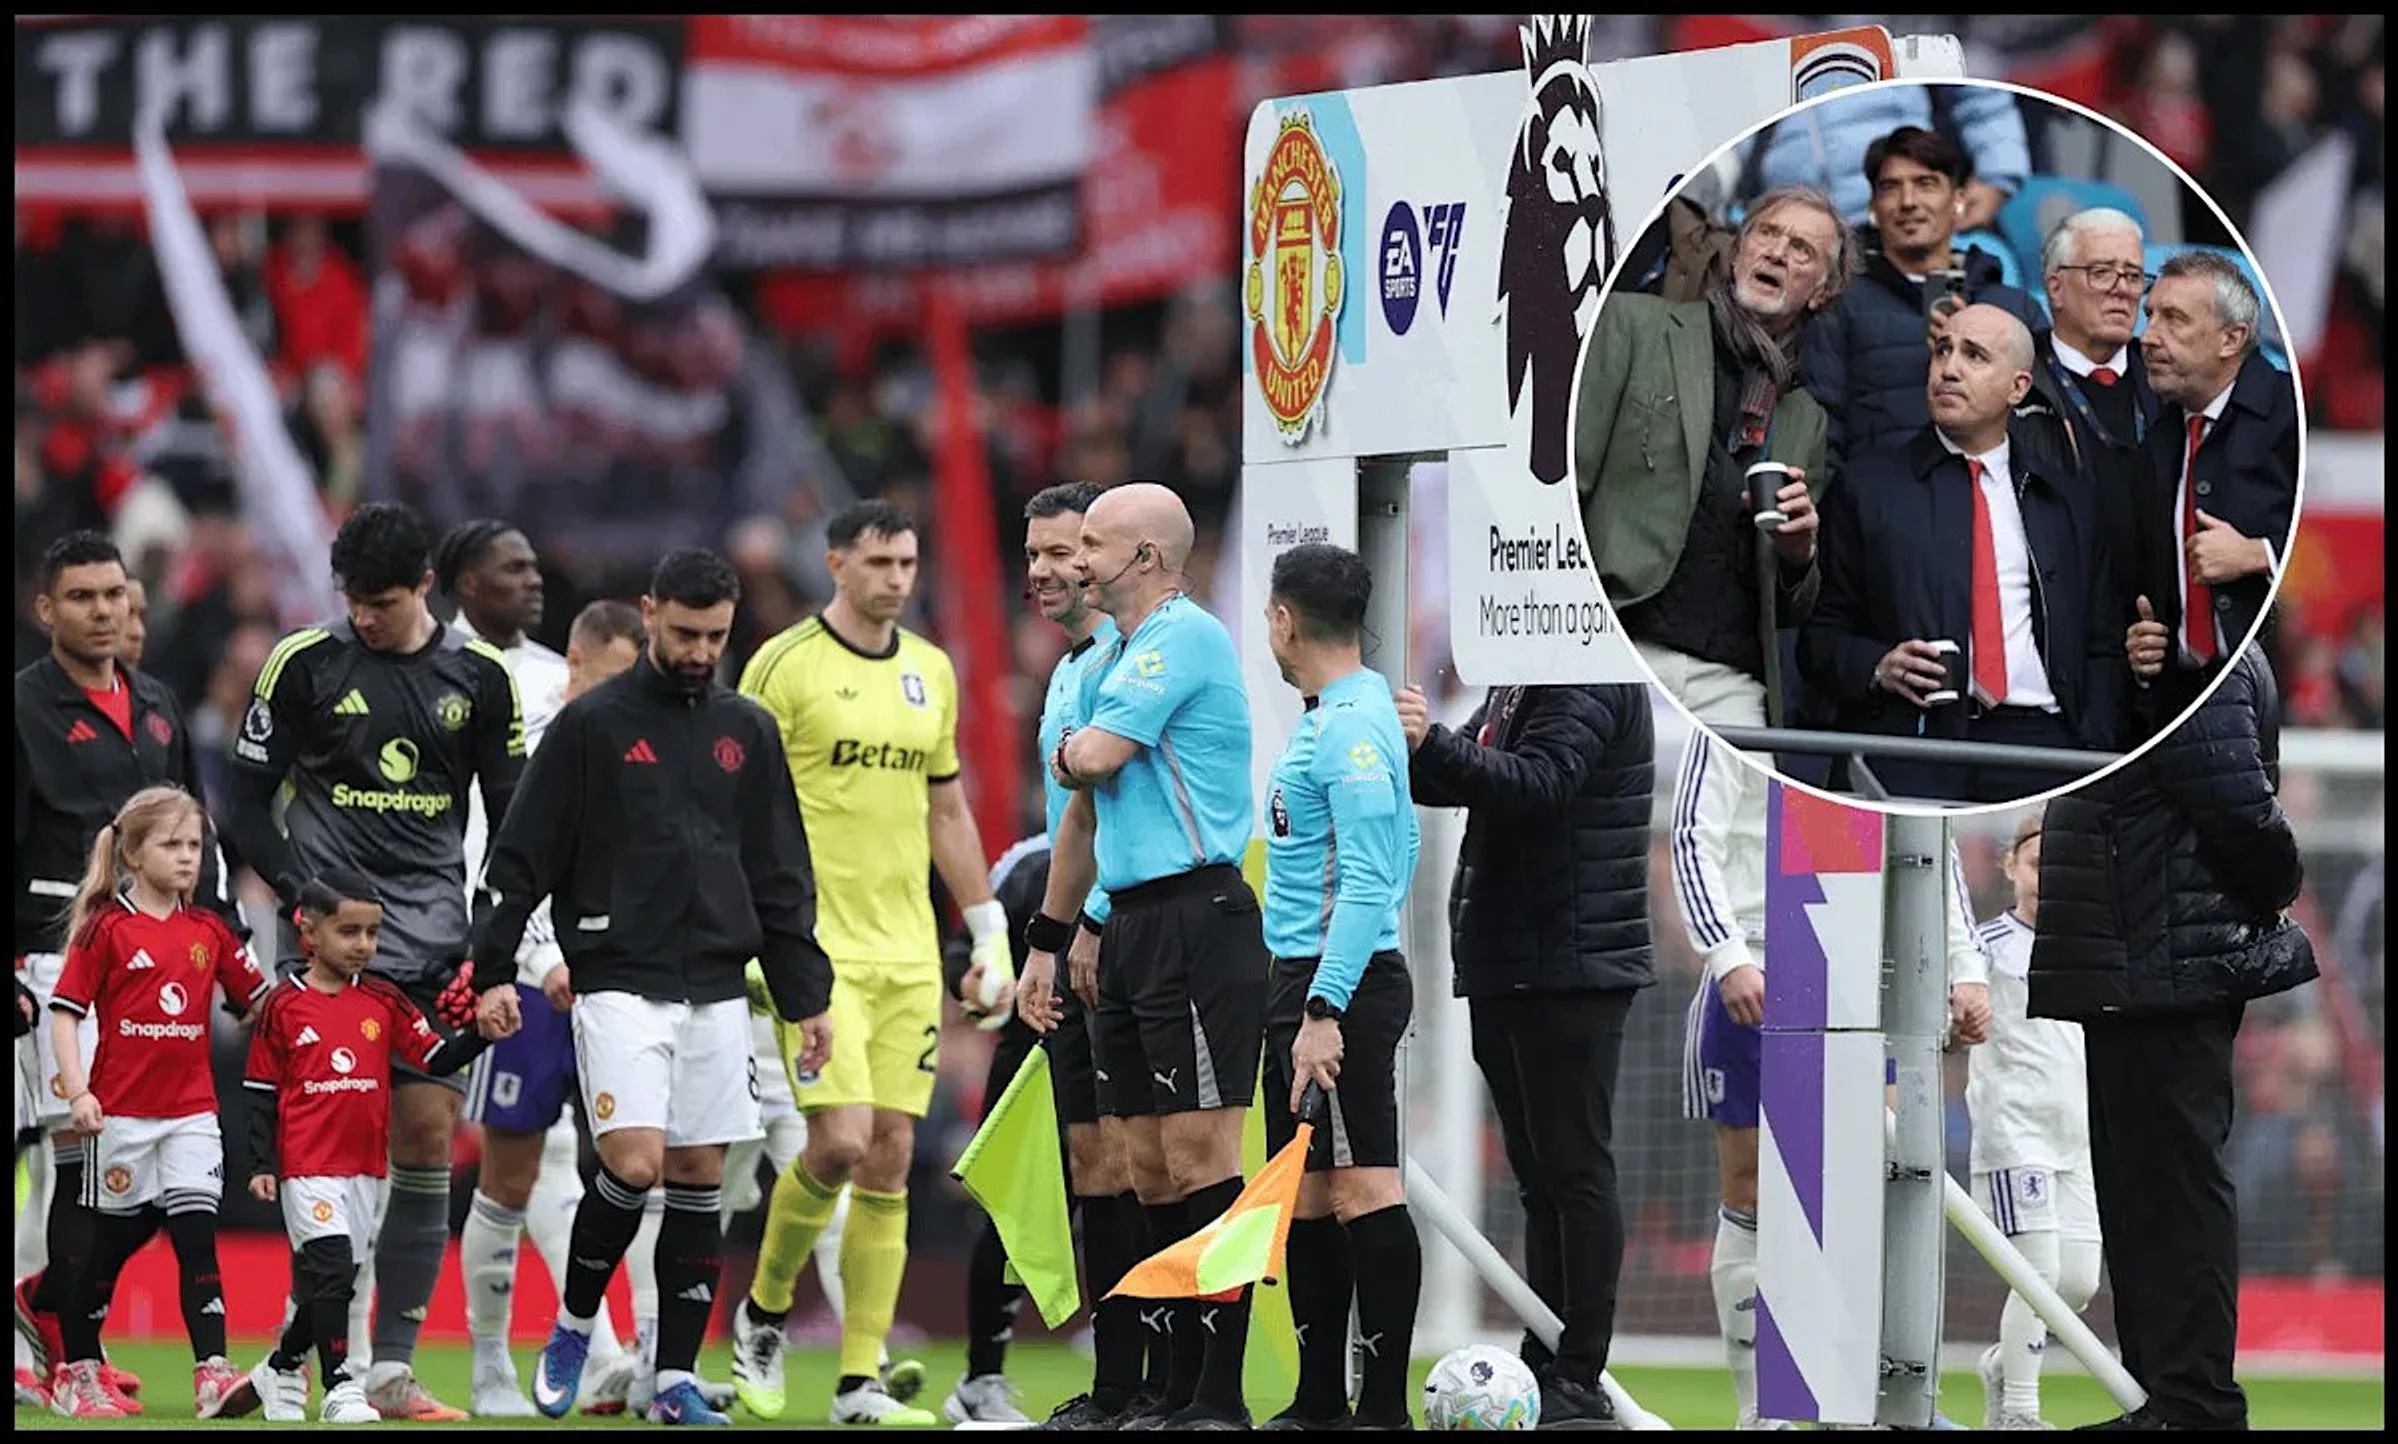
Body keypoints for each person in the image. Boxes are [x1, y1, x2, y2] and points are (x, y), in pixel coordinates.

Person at [472, 546, 834, 1428]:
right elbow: (520, 859)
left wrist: (807, 997)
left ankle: (672, 1378)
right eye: (684, 633)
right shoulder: (590, 726)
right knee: (633, 1163)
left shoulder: (747, 730)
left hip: (716, 981)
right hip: (618, 975)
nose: (700, 650)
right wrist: (492, 972)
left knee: (699, 1173)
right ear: (650, 615)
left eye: (715, 635)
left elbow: (780, 872)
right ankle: (574, 1323)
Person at [223, 500, 526, 1421]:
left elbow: (513, 823)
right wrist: (302, 897)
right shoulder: (303, 663)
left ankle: (388, 1367)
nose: (363, 616)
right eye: (352, 599)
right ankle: (314, 1355)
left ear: (426, 587)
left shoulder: (480, 677)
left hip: (431, 942)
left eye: (382, 603)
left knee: (425, 1137)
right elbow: (242, 802)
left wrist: (490, 938)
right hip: (326, 951)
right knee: (326, 1148)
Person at [728, 501, 1006, 1428]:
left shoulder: (931, 671)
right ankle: (765, 1312)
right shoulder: (782, 665)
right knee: (839, 1141)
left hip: (908, 951)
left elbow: (947, 811)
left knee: (889, 1158)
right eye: (880, 562)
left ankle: (858, 1384)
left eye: (908, 563)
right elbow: (742, 806)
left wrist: (987, 928)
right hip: (815, 949)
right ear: (836, 564)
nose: (896, 579)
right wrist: (755, 931)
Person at [1016, 481, 1265, 1431]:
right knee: (1146, 1165)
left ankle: (1218, 1395)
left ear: (1145, 557)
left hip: (1196, 915)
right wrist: (1051, 939)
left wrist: (1077, 749)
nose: (1075, 562)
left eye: (1088, 545)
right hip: (1125, 923)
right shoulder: (1110, 657)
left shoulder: (1184, 638)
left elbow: (1093, 761)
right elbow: (1079, 807)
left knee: (1201, 1156)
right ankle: (1164, 1386)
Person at [2029, 645, 2313, 1430]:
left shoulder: (2199, 655)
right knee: (2143, 1195)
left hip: (2162, 958)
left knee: (2172, 1192)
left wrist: (2280, 880)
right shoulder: (2174, 647)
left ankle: (2194, 1402)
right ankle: (2162, 1397)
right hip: (2133, 957)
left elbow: (2234, 802)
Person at [1672, 746, 1989, 1429]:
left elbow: (1932, 837)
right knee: (1754, 1192)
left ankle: (1865, 1400)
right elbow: (1692, 833)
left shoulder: (1878, 736)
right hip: (1759, 963)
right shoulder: (1725, 719)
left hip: (1859, 969)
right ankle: (1761, 1410)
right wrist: (1727, 955)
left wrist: (1966, 968)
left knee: (1868, 1191)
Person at [15, 530, 243, 1415]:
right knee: (69, 1157)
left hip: (155, 965)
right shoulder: (23, 705)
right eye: (82, 597)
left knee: (143, 1174)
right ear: (46, 609)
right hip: (52, 956)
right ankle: (58, 1355)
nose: (104, 611)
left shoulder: (155, 703)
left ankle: (55, 1313)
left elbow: (194, 832)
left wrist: (224, 937)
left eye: (114, 594)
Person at [1397, 674, 1654, 1428]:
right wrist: (1413, 747)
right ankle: (1548, 1354)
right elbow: (1459, 775)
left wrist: (1431, 740)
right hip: (1513, 957)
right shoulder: (1522, 680)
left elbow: (1541, 783)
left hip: (1571, 965)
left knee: (1573, 1169)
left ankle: (1579, 1371)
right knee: (1541, 1179)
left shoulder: (1588, 672)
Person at [957, 480, 1156, 1431]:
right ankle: (1003, 1375)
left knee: (1150, 1168)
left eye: (1060, 552)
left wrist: (1092, 924)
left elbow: (1139, 820)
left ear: (1106, 553)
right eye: (1030, 553)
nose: (1040, 570)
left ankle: (1162, 1378)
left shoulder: (1152, 657)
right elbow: (1071, 824)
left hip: (1137, 943)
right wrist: (1039, 940)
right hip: (1064, 942)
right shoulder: (1072, 673)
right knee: (1034, 1163)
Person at [445, 568, 645, 1417]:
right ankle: (491, 1362)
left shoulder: (639, 740)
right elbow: (501, 858)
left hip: (615, 977)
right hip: (531, 980)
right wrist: (537, 954)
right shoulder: (531, 735)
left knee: (634, 1164)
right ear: (577, 661)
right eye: (614, 676)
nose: (626, 694)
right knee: (513, 1168)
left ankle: (626, 1357)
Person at [1798, 303, 2124, 804]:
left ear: (2018, 387)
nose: (1949, 369)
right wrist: (1877, 665)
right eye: (1942, 351)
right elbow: (1818, 637)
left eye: (1975, 356)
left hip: (2047, 745)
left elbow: (2103, 641)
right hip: (1916, 742)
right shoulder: (1868, 487)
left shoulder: (2064, 498)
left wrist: (2093, 739)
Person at [242, 871, 515, 1425]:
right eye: (349, 932)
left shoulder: (385, 1000)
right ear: (309, 933)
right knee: (333, 1272)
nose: (363, 945)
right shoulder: (283, 1006)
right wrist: (261, 1163)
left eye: (372, 933)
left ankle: (282, 1364)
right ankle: (341, 1387)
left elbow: (435, 1058)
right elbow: (259, 1091)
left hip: (366, 1166)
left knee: (334, 1281)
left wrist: (480, 1035)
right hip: (307, 1166)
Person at [1576, 185, 1850, 736]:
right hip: (1622, 645)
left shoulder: (1806, 418)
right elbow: (1565, 487)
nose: (1777, 252)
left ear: (1822, 292)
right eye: (1767, 233)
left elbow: (1792, 607)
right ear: (1739, 249)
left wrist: (1799, 555)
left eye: (1801, 250)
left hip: (1732, 682)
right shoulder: (1634, 326)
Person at [1255, 544, 1423, 1433]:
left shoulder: (1352, 728)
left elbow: (1369, 882)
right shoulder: (1343, 714)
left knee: (1364, 1189)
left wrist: (1325, 1006)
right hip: (1306, 975)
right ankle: (1320, 1399)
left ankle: (1384, 1409)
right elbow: (1406, 848)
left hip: (1338, 984)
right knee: (1312, 1195)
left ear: (1284, 620)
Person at [40, 785, 272, 1420]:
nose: (188, 856)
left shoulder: (210, 930)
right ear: (134, 854)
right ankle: (77, 1370)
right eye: (172, 844)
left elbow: (260, 1002)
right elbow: (65, 1014)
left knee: (197, 1235)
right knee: (108, 1244)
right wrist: (79, 1090)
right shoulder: (107, 929)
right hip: (120, 1116)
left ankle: (212, 1372)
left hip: (192, 1113)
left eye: (195, 844)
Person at [1799, 125, 2042, 476]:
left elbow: (2047, 426)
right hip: (1876, 501)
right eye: (1890, 187)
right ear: (1872, 207)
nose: (1908, 201)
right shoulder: (1838, 304)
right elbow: (1820, 434)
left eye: (1926, 184)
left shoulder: (2015, 308)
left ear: (1958, 199)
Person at [1967, 813, 2101, 1431]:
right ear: (2011, 867)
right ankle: (2021, 1411)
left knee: (2077, 1283)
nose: (2049, 877)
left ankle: (2002, 1364)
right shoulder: (1984, 947)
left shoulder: (2091, 946)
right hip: (2016, 1132)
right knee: (2037, 1273)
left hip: (2079, 1134)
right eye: (2038, 863)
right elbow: (1952, 1019)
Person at [2127, 251, 2300, 711]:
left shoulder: (2289, 414)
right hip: (2180, 702)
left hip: (2270, 701)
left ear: (2232, 338)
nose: (2149, 337)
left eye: (2174, 319)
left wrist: (2259, 554)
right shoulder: (2156, 441)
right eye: (2150, 315)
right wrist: (2147, 644)